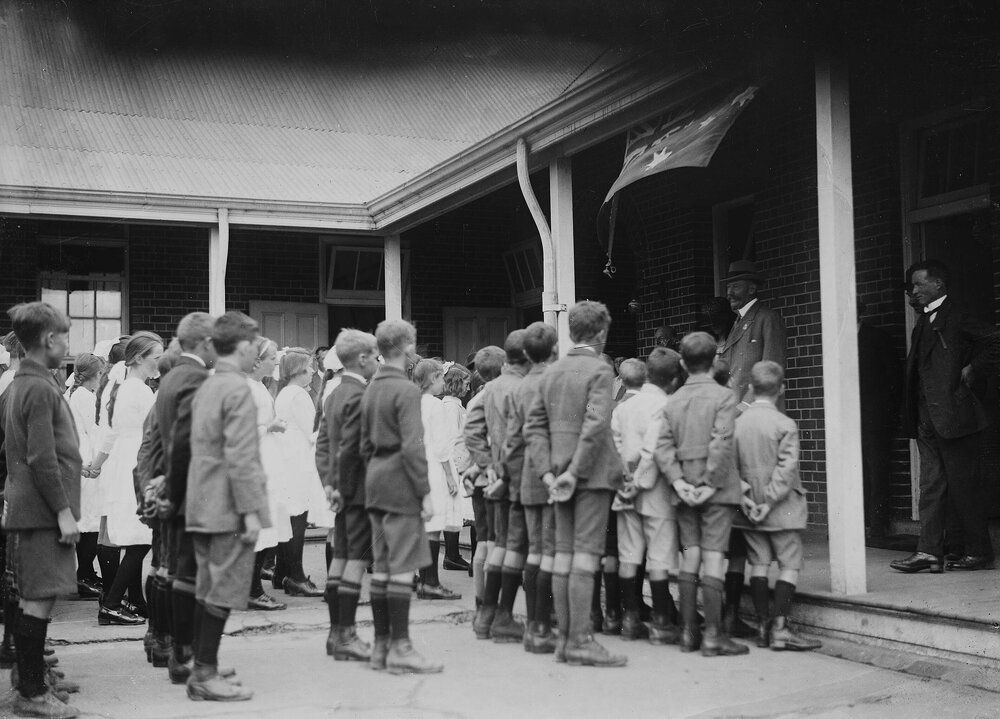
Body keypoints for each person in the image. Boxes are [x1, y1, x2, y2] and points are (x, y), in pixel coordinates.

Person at [524, 300, 627, 667]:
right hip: (590, 476)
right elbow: (596, 423)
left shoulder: (550, 371)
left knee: (562, 557)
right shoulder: (599, 369)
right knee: (585, 557)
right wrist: (575, 471)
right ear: (601, 332)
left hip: (557, 476)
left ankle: (567, 641)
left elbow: (533, 427)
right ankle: (580, 640)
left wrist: (550, 472)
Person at [891, 260, 1000, 573]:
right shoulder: (924, 319)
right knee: (931, 486)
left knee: (964, 487)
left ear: (938, 284)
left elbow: (994, 340)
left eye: (918, 284)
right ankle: (928, 553)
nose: (913, 291)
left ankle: (979, 552)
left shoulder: (957, 315)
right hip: (927, 419)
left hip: (955, 416)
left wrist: (972, 369)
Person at [0, 302, 82, 718]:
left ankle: (26, 685)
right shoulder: (36, 387)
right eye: (64, 335)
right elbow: (41, 458)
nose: (67, 343)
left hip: (28, 509)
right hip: (43, 513)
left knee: (33, 596)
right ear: (50, 339)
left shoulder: (20, 384)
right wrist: (64, 512)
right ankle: (32, 694)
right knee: (39, 599)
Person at [184, 311, 269, 701]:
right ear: (244, 345)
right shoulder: (238, 388)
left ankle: (206, 668)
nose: (258, 351)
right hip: (228, 505)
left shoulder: (210, 384)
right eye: (255, 344)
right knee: (223, 589)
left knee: (208, 586)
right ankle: (204, 673)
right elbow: (241, 454)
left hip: (203, 501)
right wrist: (251, 510)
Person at [651, 331, 748, 657]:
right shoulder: (723, 396)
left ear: (682, 362)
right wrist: (708, 483)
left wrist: (679, 482)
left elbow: (662, 447)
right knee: (711, 558)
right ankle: (713, 636)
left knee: (690, 555)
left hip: (683, 490)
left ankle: (689, 633)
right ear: (714, 360)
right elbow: (721, 441)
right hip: (717, 490)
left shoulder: (673, 400)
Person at [361, 318, 442, 674]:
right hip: (400, 483)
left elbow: (363, 443)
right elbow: (413, 447)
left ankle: (381, 647)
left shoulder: (371, 386)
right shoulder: (406, 390)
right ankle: (401, 648)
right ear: (408, 348)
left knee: (382, 566)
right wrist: (423, 492)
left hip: (376, 480)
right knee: (403, 567)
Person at [718, 260, 786, 639]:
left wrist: (750, 407)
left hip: (753, 418)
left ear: (752, 285)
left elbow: (771, 366)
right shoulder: (738, 322)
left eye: (736, 284)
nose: (729, 290)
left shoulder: (766, 318)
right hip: (735, 420)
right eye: (728, 284)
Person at [737, 361, 821, 652]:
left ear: (750, 388)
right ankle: (780, 629)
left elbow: (728, 466)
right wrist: (769, 500)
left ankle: (761, 626)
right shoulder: (785, 424)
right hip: (782, 507)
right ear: (782, 389)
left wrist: (747, 498)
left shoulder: (738, 423)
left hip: (748, 508)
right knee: (789, 564)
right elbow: (786, 470)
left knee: (758, 563)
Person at [89, 332, 164, 627]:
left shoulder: (122, 388)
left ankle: (134, 600)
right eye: (156, 358)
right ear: (138, 359)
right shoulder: (141, 391)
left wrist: (98, 464)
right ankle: (111, 603)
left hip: (124, 461)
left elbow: (109, 434)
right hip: (137, 461)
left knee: (136, 535)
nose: (160, 363)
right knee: (141, 538)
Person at [316, 329, 379, 660]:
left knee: (341, 559)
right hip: (358, 491)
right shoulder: (359, 395)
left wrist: (328, 482)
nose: (378, 363)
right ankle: (345, 634)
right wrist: (340, 486)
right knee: (356, 560)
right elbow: (353, 449)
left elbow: (325, 444)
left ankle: (335, 633)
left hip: (342, 489)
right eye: (376, 357)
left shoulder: (335, 394)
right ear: (364, 358)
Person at [615, 350, 683, 644]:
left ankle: (630, 620)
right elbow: (654, 448)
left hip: (625, 485)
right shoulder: (665, 405)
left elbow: (615, 443)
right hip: (653, 489)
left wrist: (624, 480)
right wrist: (640, 482)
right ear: (674, 377)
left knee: (629, 553)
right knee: (658, 554)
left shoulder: (624, 405)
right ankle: (661, 622)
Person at [466, 331, 530, 643]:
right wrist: (494, 467)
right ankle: (496, 613)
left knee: (495, 544)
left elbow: (472, 430)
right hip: (512, 476)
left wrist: (483, 464)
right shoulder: (516, 389)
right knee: (506, 546)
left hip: (491, 477)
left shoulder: (484, 393)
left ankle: (486, 613)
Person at [502, 320, 559, 653]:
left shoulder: (520, 387)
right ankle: (541, 625)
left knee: (534, 551)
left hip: (526, 478)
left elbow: (511, 441)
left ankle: (536, 623)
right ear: (553, 350)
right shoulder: (557, 383)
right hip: (551, 475)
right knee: (548, 552)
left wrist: (512, 479)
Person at [273, 348, 327, 597]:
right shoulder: (299, 395)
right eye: (309, 368)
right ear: (298, 371)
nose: (313, 372)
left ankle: (282, 572)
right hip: (298, 459)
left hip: (286, 456)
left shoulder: (285, 393)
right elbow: (311, 430)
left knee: (291, 516)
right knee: (297, 518)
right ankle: (295, 575)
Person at [410, 359, 461, 600]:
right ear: (432, 379)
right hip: (434, 466)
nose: (443, 383)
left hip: (416, 464)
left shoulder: (411, 402)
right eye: (441, 378)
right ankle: (430, 582)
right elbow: (442, 445)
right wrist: (450, 476)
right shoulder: (436, 406)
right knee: (434, 525)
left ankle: (421, 578)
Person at [246, 337, 290, 611]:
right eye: (272, 357)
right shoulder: (247, 388)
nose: (276, 362)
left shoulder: (259, 386)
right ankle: (252, 590)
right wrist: (270, 427)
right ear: (257, 360)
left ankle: (251, 588)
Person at [461, 346, 504, 618]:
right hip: (496, 476)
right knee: (498, 543)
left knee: (484, 541)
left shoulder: (475, 401)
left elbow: (470, 438)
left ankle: (481, 601)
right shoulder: (503, 396)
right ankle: (493, 603)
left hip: (479, 477)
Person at [856, 298, 901, 540]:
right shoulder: (837, 340)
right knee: (854, 469)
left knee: (878, 470)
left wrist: (887, 412)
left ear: (858, 311)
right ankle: (858, 523)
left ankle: (878, 526)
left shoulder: (877, 338)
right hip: (848, 419)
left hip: (875, 418)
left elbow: (894, 378)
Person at [63, 353, 106, 600]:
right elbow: (95, 430)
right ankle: (85, 575)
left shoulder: (72, 393)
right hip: (86, 462)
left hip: (77, 461)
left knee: (87, 520)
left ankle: (86, 572)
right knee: (89, 522)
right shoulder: (84, 397)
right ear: (95, 375)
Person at [439, 362, 473, 572]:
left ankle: (453, 554)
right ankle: (451, 554)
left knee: (456, 511)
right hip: (455, 465)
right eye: (466, 384)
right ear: (457, 383)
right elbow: (452, 440)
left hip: (457, 463)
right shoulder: (451, 406)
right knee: (453, 511)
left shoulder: (456, 404)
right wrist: (458, 469)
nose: (469, 388)